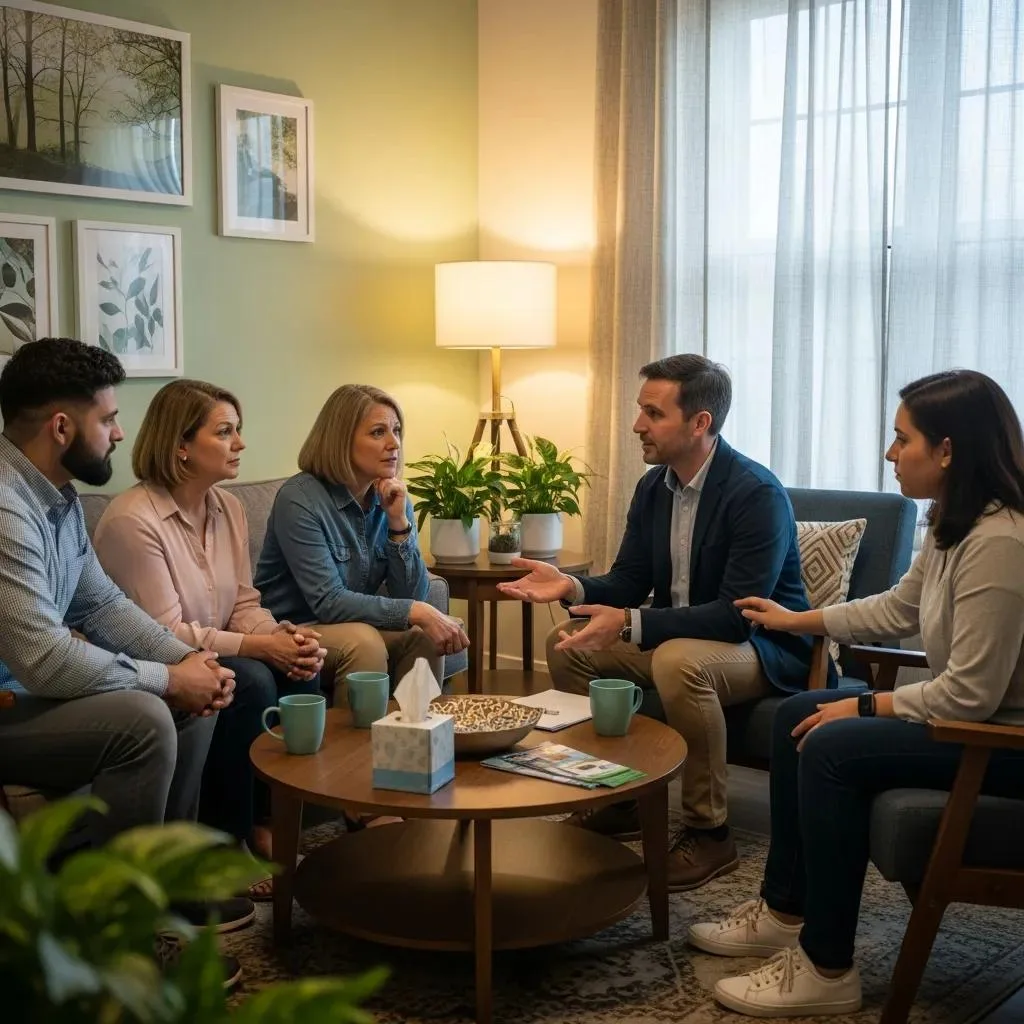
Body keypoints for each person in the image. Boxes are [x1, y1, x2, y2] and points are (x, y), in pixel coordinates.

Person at [689, 369, 1024, 1017]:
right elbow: (899, 609)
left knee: (834, 746)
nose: (890, 454)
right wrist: (797, 620)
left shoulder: (1002, 543)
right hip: (975, 721)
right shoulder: (956, 526)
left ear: (949, 451)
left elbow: (972, 694)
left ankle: (827, 966)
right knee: (799, 712)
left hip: (1003, 742)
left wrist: (867, 704)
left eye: (903, 440)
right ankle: (786, 910)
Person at [497, 354, 825, 891]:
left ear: (701, 422)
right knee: (566, 643)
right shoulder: (654, 488)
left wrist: (630, 624)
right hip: (689, 638)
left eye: (653, 413)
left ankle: (710, 831)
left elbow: (734, 617)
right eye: (639, 410)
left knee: (678, 661)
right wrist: (571, 586)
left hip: (767, 648)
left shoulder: (755, 494)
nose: (637, 426)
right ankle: (620, 796)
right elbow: (628, 580)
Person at [0, 339, 253, 941]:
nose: (118, 433)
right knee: (144, 715)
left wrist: (189, 661)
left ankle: (167, 883)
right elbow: (43, 660)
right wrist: (168, 678)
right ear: (63, 427)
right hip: (12, 702)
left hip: (26, 698)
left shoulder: (55, 499)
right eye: (108, 418)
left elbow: (103, 605)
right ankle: (122, 934)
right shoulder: (7, 511)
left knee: (198, 691)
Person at [93, 380, 325, 882]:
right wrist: (260, 648)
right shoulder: (133, 521)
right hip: (154, 662)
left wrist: (281, 637)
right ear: (180, 445)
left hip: (215, 650)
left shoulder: (229, 508)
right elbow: (166, 634)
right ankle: (223, 845)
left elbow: (243, 602)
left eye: (237, 431)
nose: (239, 443)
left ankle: (268, 824)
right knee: (252, 681)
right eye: (225, 432)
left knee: (304, 668)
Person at [255, 384, 468, 700]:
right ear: (341, 441)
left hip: (354, 623)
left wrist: (399, 525)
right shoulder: (300, 500)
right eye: (378, 432)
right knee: (364, 640)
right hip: (295, 629)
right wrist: (417, 611)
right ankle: (354, 749)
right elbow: (328, 602)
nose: (394, 443)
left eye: (396, 431)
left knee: (421, 637)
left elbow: (411, 594)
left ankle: (415, 742)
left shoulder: (392, 497)